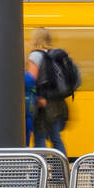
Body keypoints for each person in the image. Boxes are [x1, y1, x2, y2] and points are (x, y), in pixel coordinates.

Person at [27, 27, 71, 155]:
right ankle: (61, 172)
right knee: (56, 138)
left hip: (42, 103)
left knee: (39, 138)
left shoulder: (35, 55)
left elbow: (31, 79)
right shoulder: (55, 55)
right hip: (58, 103)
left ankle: (41, 173)